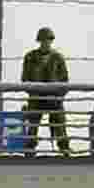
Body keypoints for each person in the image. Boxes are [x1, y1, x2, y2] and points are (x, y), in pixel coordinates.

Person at [21, 27, 71, 157]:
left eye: (48, 39)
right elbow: (25, 78)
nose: (46, 42)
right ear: (39, 41)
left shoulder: (57, 58)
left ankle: (64, 149)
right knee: (33, 125)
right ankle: (29, 150)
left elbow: (64, 79)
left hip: (54, 97)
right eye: (43, 40)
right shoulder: (30, 57)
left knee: (60, 124)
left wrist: (59, 95)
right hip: (36, 97)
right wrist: (32, 91)